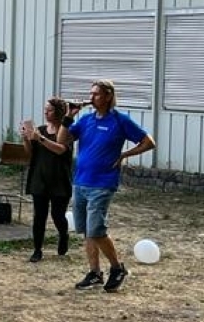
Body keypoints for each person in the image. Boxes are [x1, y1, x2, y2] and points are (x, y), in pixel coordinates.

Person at [56, 79, 155, 292]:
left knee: (96, 230)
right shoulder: (86, 120)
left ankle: (117, 268)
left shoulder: (120, 120)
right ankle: (94, 273)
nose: (91, 98)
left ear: (108, 96)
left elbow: (148, 142)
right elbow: (61, 140)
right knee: (87, 231)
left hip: (102, 184)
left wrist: (124, 154)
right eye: (91, 94)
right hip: (81, 181)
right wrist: (68, 117)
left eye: (96, 94)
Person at [19, 97, 74, 263]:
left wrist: (40, 139)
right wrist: (26, 138)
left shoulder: (66, 131)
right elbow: (30, 153)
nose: (45, 113)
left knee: (58, 215)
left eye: (49, 110)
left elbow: (60, 150)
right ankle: (37, 250)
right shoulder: (40, 130)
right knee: (39, 216)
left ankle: (63, 235)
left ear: (58, 112)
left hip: (59, 179)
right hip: (39, 178)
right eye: (45, 110)